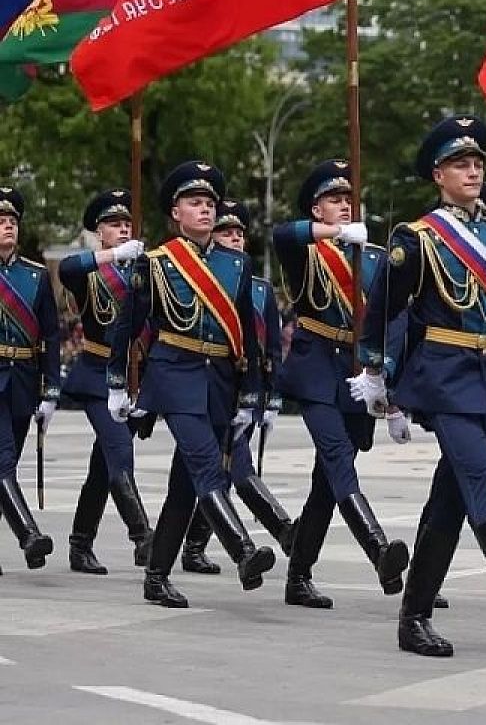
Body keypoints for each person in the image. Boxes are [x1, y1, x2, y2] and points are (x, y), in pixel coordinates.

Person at [351, 115, 486, 656]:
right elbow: (384, 308)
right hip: (445, 378)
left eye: (477, 163)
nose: (472, 171)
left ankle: (413, 618)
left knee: (448, 504)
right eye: (459, 164)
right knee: (481, 484)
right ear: (438, 175)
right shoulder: (418, 238)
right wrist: (375, 370)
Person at [107, 161, 275, 608]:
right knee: (207, 466)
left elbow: (246, 331)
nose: (204, 210)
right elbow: (127, 326)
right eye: (194, 203)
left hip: (220, 379)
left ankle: (156, 577)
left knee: (185, 486)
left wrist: (252, 391)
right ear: (175, 213)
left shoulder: (236, 264)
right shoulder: (157, 263)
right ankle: (243, 549)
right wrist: (117, 383)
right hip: (174, 375)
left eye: (209, 204)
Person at [272, 159, 410, 609]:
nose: (345, 206)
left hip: (356, 375)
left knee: (326, 482)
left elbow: (392, 322)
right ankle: (378, 550)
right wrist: (333, 237)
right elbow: (280, 235)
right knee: (335, 458)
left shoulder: (372, 257)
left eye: (349, 199)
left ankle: (297, 576)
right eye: (334, 200)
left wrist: (391, 396)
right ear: (316, 209)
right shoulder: (309, 251)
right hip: (316, 370)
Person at [178, 200, 296, 573]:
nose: (235, 238)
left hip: (248, 386)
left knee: (214, 471)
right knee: (234, 467)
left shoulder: (259, 287)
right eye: (226, 232)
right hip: (211, 384)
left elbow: (272, 348)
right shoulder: (198, 278)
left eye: (239, 233)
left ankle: (193, 547)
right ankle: (283, 530)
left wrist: (272, 397)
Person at [58, 189, 153, 574]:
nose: (123, 229)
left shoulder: (145, 271)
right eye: (114, 225)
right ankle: (143, 537)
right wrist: (116, 256)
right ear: (100, 233)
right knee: (119, 454)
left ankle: (80, 544)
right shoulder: (93, 272)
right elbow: (66, 268)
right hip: (98, 376)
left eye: (127, 224)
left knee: (103, 466)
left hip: (135, 379)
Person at [0, 186, 59, 572]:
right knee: (1, 460)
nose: (8, 228)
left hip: (22, 378)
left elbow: (51, 335)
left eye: (11, 222)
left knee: (8, 462)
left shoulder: (35, 277)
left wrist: (51, 388)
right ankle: (29, 535)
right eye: (1, 222)